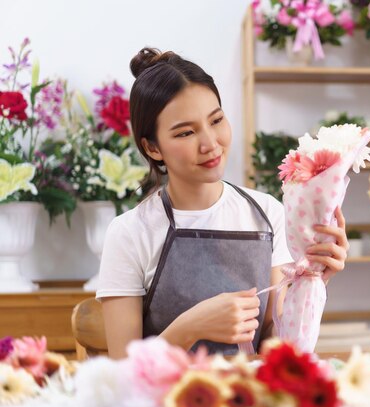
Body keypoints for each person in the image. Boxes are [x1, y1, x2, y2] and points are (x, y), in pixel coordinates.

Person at [96, 48, 349, 359]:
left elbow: (272, 336)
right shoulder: (130, 233)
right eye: (186, 132)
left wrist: (312, 282)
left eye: (216, 120)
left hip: (247, 401)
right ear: (152, 147)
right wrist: (191, 326)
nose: (210, 143)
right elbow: (123, 370)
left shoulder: (267, 213)